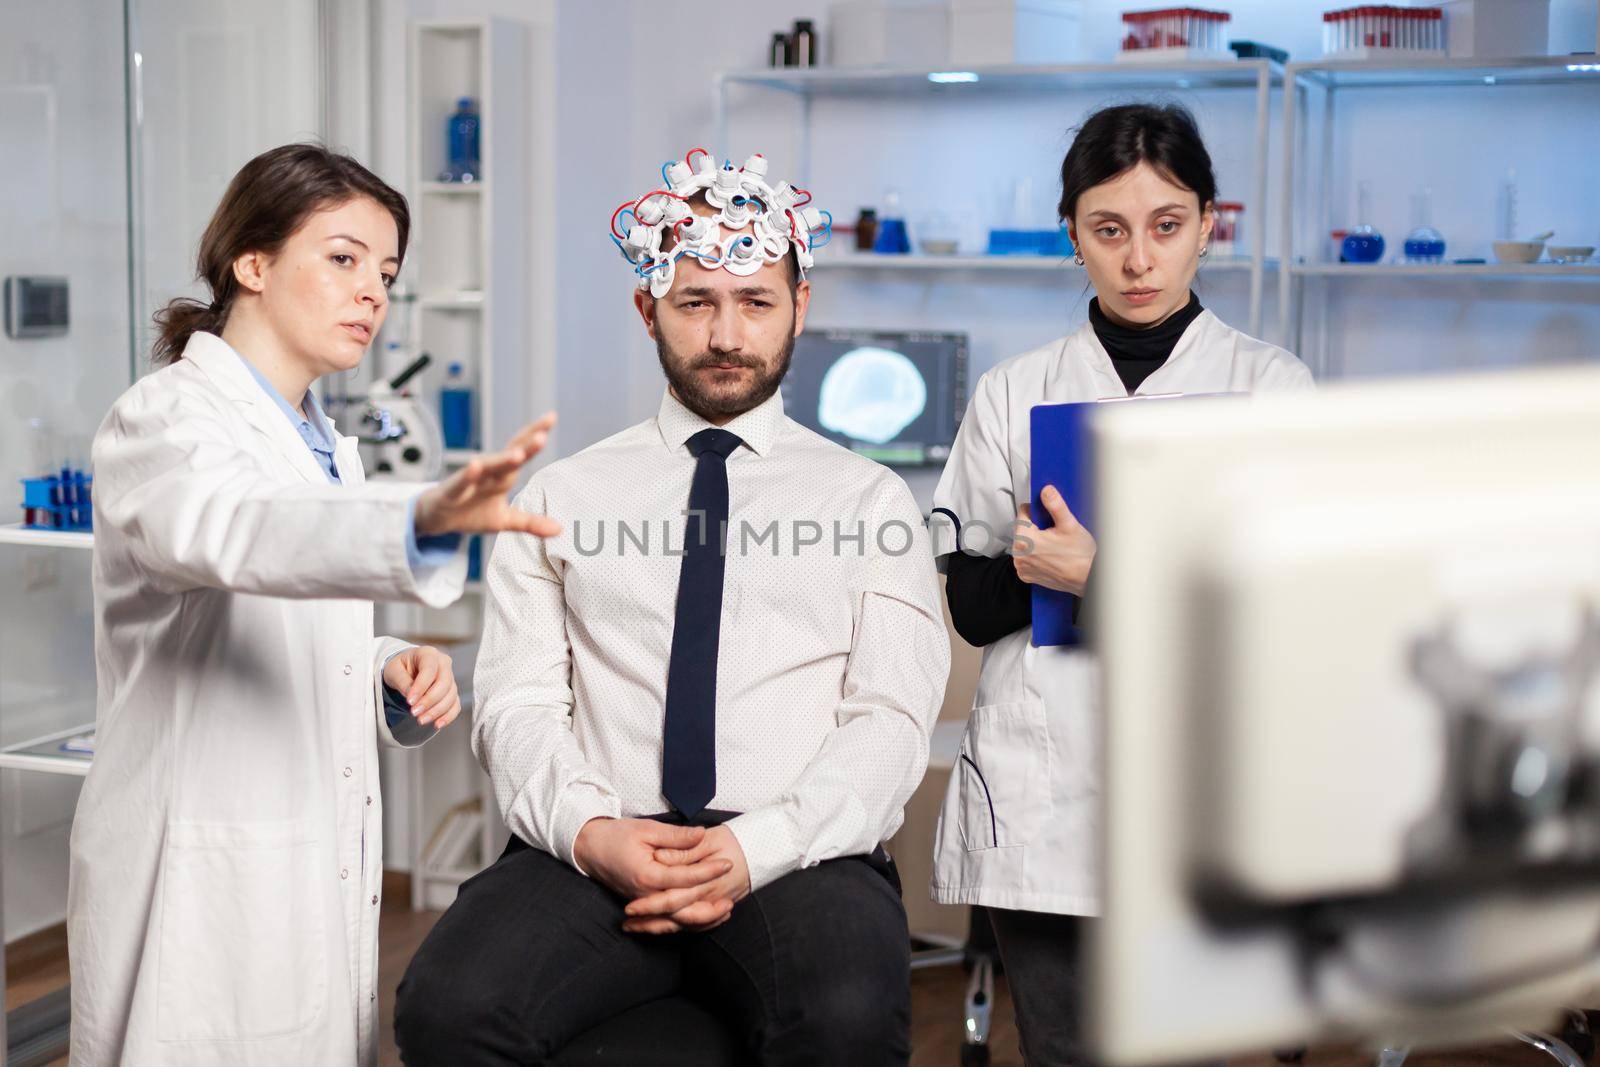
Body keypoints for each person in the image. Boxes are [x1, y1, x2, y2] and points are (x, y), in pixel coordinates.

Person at [394, 149, 950, 1066]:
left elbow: (889, 721)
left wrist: (756, 845)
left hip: (799, 850)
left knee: (845, 1016)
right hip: (600, 842)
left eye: (756, 302)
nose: (727, 333)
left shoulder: (869, 502)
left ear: (799, 308)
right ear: (648, 307)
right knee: (451, 1008)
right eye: (696, 302)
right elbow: (518, 704)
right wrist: (591, 832)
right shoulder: (562, 493)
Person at [67, 143, 560, 1066]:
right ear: (251, 263)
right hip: (200, 855)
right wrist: (416, 519)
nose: (372, 291)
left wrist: (382, 668)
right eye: (342, 258)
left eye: (385, 272)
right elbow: (233, 532)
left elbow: (282, 613)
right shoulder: (166, 419)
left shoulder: (328, 445)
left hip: (302, 848)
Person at [928, 103, 1315, 1067]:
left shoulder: (1271, 389)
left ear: (1207, 225)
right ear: (1073, 236)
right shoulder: (1015, 391)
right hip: (1040, 789)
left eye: (1165, 226)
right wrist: (1073, 572)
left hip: (1199, 791)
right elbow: (972, 605)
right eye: (1109, 230)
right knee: (1062, 1050)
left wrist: (1098, 571)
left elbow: (1280, 615)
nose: (1139, 259)